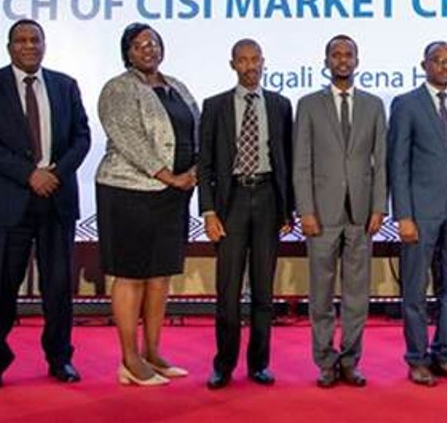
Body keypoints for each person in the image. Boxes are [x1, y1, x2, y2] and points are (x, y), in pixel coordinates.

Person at [0, 19, 91, 390]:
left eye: (35, 39)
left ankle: (60, 358)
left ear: (44, 44)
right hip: (8, 204)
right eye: (20, 40)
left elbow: (82, 137)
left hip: (57, 201)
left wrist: (55, 174)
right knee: (1, 288)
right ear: (9, 48)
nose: (29, 46)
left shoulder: (65, 85)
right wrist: (29, 174)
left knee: (58, 289)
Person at [95, 23, 199, 386]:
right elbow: (130, 140)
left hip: (173, 196)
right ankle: (129, 359)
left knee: (159, 277)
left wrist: (195, 170)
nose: (148, 49)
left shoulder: (177, 86)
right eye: (139, 45)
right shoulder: (118, 88)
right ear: (127, 53)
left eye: (153, 43)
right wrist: (169, 176)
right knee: (131, 275)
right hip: (128, 193)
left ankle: (153, 353)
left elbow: (196, 130)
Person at [199, 39, 294, 389]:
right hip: (232, 201)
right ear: (233, 64)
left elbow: (288, 160)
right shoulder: (215, 106)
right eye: (243, 60)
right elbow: (205, 164)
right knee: (228, 292)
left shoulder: (281, 105)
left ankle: (258, 364)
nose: (250, 66)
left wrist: (288, 210)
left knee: (263, 292)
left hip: (268, 199)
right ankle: (223, 365)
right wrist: (209, 211)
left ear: (263, 62)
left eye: (255, 59)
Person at [294, 35, 387, 388]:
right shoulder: (308, 105)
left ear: (357, 61)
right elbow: (301, 162)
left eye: (349, 55)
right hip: (321, 214)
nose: (343, 60)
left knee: (356, 296)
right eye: (336, 54)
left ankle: (350, 361)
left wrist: (379, 206)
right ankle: (325, 362)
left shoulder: (373, 105)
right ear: (327, 61)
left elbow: (381, 162)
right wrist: (305, 210)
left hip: (361, 215)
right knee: (320, 294)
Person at [388, 40, 447, 386]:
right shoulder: (406, 104)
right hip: (419, 211)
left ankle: (444, 355)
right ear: (424, 65)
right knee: (415, 289)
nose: (444, 66)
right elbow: (398, 161)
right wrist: (403, 215)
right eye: (437, 60)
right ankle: (416, 358)